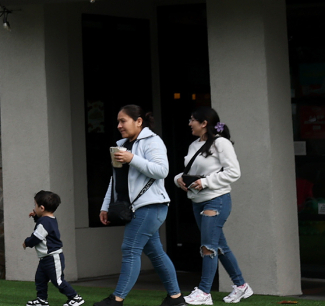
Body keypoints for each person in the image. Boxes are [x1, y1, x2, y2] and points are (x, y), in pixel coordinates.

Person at [96, 105, 182, 306]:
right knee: (155, 252)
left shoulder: (153, 142)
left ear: (139, 121)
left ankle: (116, 299)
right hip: (140, 208)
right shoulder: (123, 145)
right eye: (118, 121)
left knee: (130, 249)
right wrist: (105, 206)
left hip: (151, 206)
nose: (119, 125)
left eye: (123, 121)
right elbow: (116, 178)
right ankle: (176, 298)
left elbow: (162, 171)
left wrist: (132, 158)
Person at [173, 108, 252, 305]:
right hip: (197, 201)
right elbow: (188, 171)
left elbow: (234, 172)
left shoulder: (221, 143)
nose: (189, 123)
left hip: (217, 199)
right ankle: (241, 286)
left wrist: (206, 182)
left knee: (208, 246)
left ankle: (204, 291)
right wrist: (178, 180)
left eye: (192, 120)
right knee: (218, 245)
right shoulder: (193, 145)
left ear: (204, 123)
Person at [24, 189, 84, 306]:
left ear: (41, 208)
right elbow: (43, 229)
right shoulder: (48, 219)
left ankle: (75, 298)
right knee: (40, 279)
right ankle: (41, 300)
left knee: (58, 280)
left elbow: (37, 237)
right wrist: (36, 218)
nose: (34, 207)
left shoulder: (44, 222)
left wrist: (27, 242)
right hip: (45, 258)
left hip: (52, 257)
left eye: (35, 205)